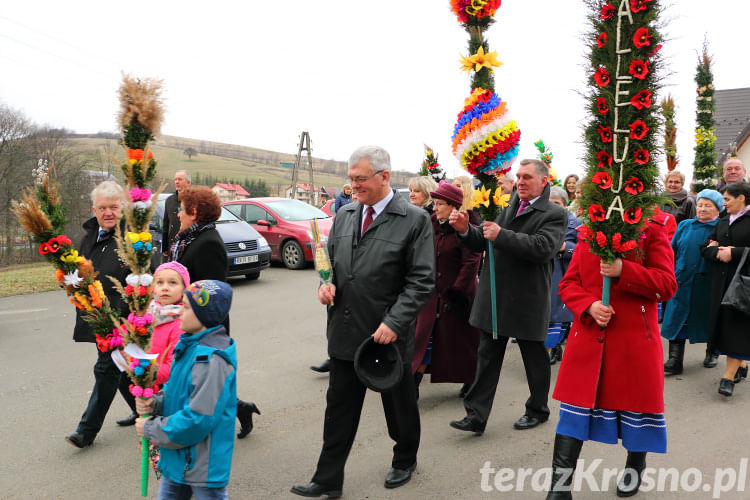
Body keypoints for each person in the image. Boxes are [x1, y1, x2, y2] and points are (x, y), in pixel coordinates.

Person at [291, 145, 435, 497]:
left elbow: (422, 281)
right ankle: (328, 480)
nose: (353, 186)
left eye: (360, 179)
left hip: (386, 335)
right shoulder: (345, 214)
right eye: (351, 179)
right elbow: (335, 267)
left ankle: (404, 459)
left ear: (384, 177)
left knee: (399, 406)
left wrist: (395, 322)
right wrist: (326, 285)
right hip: (344, 330)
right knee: (338, 409)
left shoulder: (414, 220)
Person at [546, 216, 677, 499]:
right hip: (589, 339)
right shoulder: (586, 233)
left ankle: (635, 466)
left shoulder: (651, 230)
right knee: (573, 415)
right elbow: (569, 284)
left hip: (634, 343)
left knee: (637, 411)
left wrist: (624, 270)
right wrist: (589, 305)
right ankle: (559, 488)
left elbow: (666, 285)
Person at [448, 159, 567, 435]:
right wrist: (466, 230)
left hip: (527, 297)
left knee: (534, 358)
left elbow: (542, 248)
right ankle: (476, 415)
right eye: (519, 176)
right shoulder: (506, 204)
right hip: (496, 293)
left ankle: (538, 409)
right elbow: (485, 238)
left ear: (543, 181)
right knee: (487, 356)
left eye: (527, 177)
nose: (521, 181)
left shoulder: (554, 213)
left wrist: (501, 234)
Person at [169, 185, 259, 438]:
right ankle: (239, 409)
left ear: (194, 211)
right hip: (187, 320)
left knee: (207, 381)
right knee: (206, 381)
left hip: (205, 326)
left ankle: (208, 427)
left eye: (182, 209)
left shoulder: (208, 243)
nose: (178, 214)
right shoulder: (187, 239)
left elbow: (212, 294)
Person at [136, 279, 236, 500]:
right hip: (178, 459)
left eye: (187, 307)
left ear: (204, 316)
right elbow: (176, 391)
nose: (179, 312)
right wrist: (156, 402)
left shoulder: (210, 360)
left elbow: (198, 419)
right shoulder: (188, 346)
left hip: (201, 466)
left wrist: (152, 428)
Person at [66, 180, 134, 449]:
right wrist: (71, 283)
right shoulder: (88, 238)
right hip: (96, 315)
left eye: (114, 207)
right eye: (103, 207)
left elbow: (143, 282)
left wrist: (120, 309)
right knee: (122, 368)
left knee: (106, 369)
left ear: (123, 208)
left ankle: (86, 431)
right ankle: (147, 410)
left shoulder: (134, 240)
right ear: (94, 209)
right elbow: (80, 272)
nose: (108, 212)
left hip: (121, 319)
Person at [412, 183, 482, 399]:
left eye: (440, 204)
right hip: (432, 296)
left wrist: (457, 292)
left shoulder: (465, 228)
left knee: (462, 345)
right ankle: (409, 388)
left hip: (458, 297)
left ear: (454, 207)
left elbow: (471, 263)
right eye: (434, 203)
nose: (435, 208)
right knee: (423, 340)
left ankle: (473, 380)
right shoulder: (430, 225)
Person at [116, 262, 189, 427]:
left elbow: (174, 367)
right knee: (147, 436)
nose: (165, 288)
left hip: (167, 392)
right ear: (153, 287)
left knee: (161, 436)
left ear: (185, 289)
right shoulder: (148, 313)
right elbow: (128, 332)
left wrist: (144, 371)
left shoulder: (181, 322)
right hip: (147, 386)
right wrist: (117, 337)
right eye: (160, 282)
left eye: (173, 283)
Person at [661, 189, 723, 373]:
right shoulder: (685, 225)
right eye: (701, 204)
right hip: (682, 279)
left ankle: (712, 351)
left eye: (708, 206)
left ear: (718, 209)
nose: (702, 209)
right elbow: (671, 251)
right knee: (676, 318)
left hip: (707, 282)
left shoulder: (721, 227)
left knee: (708, 319)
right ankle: (674, 360)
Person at [701, 181, 750, 397]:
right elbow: (705, 246)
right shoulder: (722, 220)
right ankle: (741, 364)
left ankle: (727, 377)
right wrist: (716, 253)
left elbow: (735, 250)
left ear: (742, 198)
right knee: (725, 327)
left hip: (743, 284)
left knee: (736, 327)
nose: (724, 203)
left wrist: (736, 253)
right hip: (721, 283)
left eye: (728, 199)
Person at [310, 191, 360, 374]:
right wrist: (324, 284)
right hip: (340, 297)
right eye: (353, 194)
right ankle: (334, 357)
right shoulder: (342, 218)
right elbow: (332, 257)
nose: (355, 197)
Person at [546, 187, 581, 365]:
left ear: (565, 205)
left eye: (557, 204)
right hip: (543, 274)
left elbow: (583, 250)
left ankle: (552, 348)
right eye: (549, 203)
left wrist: (566, 247)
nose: (552, 207)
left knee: (558, 315)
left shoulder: (575, 224)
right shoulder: (539, 221)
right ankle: (552, 348)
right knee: (548, 315)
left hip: (562, 273)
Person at [162, 170, 191, 261]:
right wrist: (165, 246)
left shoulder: (194, 199)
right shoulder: (169, 200)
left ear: (188, 182)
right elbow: (166, 224)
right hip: (172, 245)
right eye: (175, 179)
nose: (177, 182)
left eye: (180, 179)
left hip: (188, 245)